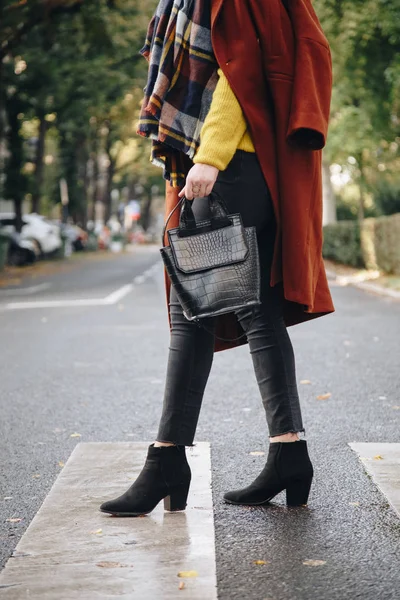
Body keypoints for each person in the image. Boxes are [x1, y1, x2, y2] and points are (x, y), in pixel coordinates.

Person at [100, 0, 334, 516]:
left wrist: (209, 156)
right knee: (256, 313)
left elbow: (238, 73)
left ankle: (168, 461)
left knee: (193, 314)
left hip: (229, 165)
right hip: (221, 164)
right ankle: (288, 453)